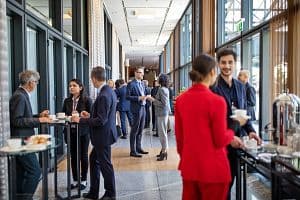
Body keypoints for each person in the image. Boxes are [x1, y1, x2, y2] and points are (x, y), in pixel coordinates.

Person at [175, 54, 244, 200]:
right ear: (212, 72)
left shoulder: (181, 100)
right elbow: (220, 140)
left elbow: (180, 139)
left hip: (190, 167)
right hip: (213, 169)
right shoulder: (216, 102)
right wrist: (235, 125)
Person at [211, 48, 261, 200]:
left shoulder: (240, 86)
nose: (227, 66)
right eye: (223, 62)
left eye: (230, 62)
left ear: (235, 64)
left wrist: (251, 130)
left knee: (232, 182)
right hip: (219, 146)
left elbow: (243, 112)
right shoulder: (213, 87)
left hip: (237, 143)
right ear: (218, 64)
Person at [72, 66, 117, 200]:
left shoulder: (103, 95)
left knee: (105, 165)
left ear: (94, 78)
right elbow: (103, 115)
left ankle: (110, 194)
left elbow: (101, 121)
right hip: (105, 134)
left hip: (102, 136)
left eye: (91, 79)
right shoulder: (109, 91)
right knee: (94, 160)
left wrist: (80, 119)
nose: (91, 82)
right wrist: (90, 115)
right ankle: (94, 191)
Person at [9, 70, 51, 199]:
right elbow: (16, 121)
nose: (36, 85)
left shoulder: (21, 94)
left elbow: (23, 117)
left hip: (22, 139)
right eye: (36, 82)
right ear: (30, 83)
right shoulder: (20, 96)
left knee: (22, 173)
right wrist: (39, 120)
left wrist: (38, 115)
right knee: (35, 171)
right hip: (21, 140)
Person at [62, 78, 92, 190]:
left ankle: (83, 180)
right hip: (70, 131)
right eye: (70, 86)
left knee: (83, 156)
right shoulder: (67, 101)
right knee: (73, 156)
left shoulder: (87, 100)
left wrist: (84, 115)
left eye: (74, 85)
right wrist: (67, 117)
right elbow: (63, 114)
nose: (71, 87)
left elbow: (92, 116)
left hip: (83, 132)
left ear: (80, 87)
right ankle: (75, 180)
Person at [126, 66, 150, 157]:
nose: (142, 74)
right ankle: (132, 150)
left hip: (143, 107)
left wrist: (148, 97)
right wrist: (138, 98)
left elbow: (143, 93)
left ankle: (138, 147)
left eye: (142, 72)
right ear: (135, 73)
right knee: (134, 130)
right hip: (136, 109)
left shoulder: (143, 83)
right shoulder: (131, 84)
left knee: (141, 129)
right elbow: (127, 97)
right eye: (140, 72)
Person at [149, 74, 171, 161]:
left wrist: (153, 100)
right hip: (163, 113)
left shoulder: (162, 89)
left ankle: (164, 151)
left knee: (162, 134)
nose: (157, 80)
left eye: (158, 79)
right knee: (163, 133)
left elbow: (164, 103)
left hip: (162, 113)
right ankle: (163, 150)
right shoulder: (165, 89)